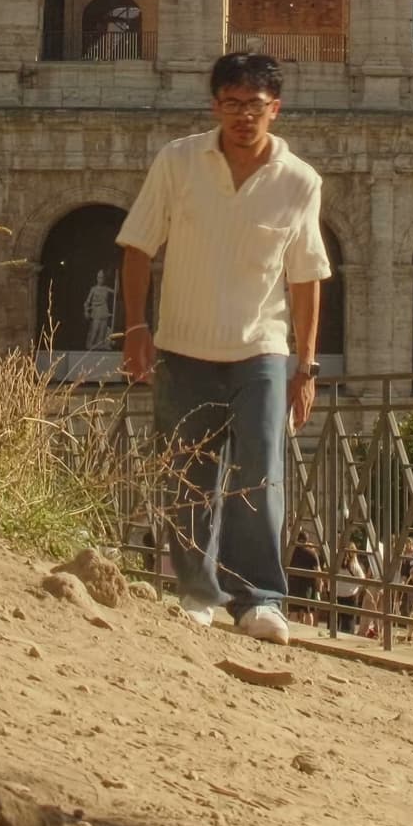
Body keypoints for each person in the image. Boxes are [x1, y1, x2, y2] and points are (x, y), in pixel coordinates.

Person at [117, 50, 328, 645]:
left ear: (275, 110)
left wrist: (305, 365)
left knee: (261, 470)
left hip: (261, 347)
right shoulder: (177, 161)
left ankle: (259, 598)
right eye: (231, 104)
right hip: (183, 344)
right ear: (214, 106)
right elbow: (138, 246)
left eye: (254, 106)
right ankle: (197, 592)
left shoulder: (300, 180)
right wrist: (137, 329)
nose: (242, 116)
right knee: (189, 476)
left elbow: (307, 275)